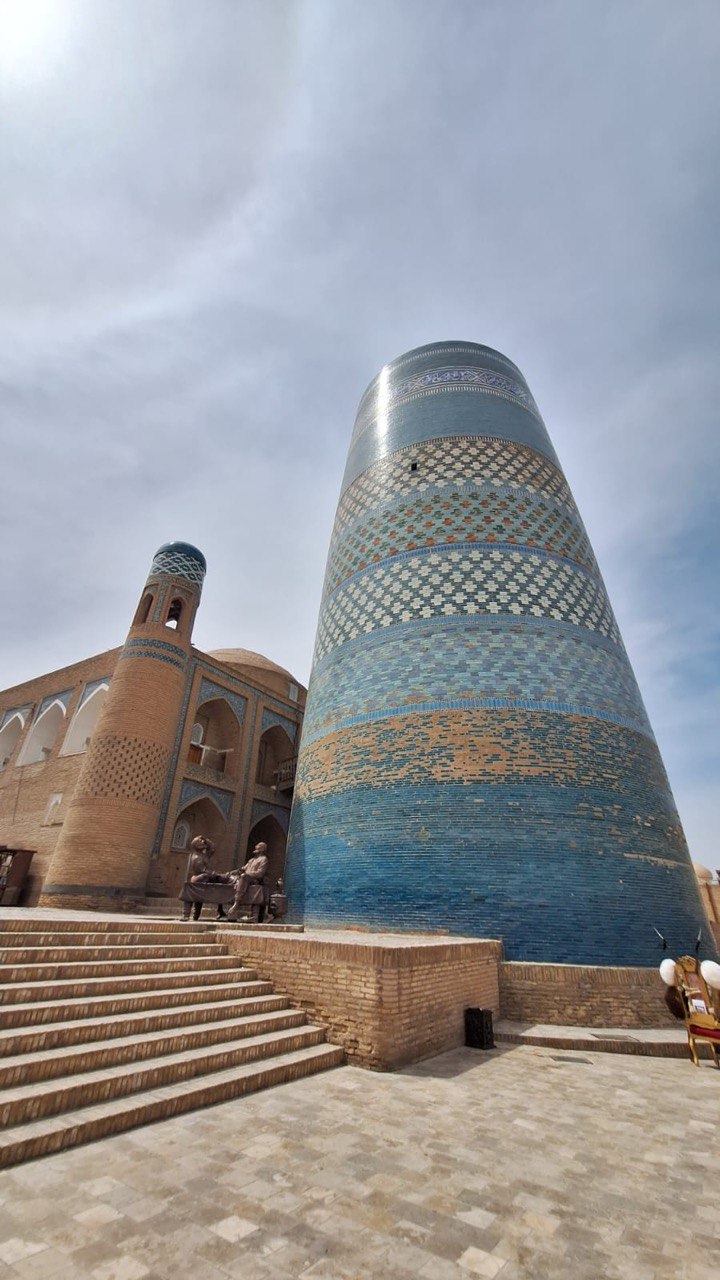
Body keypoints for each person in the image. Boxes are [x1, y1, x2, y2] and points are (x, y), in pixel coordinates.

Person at [179, 836, 234, 921]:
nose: (202, 842)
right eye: (199, 841)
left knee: (220, 888)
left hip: (207, 877)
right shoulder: (196, 857)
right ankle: (186, 914)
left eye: (202, 841)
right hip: (199, 878)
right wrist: (219, 875)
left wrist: (206, 841)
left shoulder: (203, 855)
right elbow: (203, 871)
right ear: (195, 845)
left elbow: (212, 849)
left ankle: (220, 911)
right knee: (223, 881)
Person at [226, 842, 269, 921]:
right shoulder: (251, 860)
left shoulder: (264, 859)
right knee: (231, 878)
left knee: (243, 876)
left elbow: (260, 872)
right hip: (245, 878)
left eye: (258, 846)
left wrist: (248, 874)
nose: (256, 846)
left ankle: (236, 903)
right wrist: (231, 873)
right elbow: (242, 869)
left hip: (255, 879)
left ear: (262, 849)